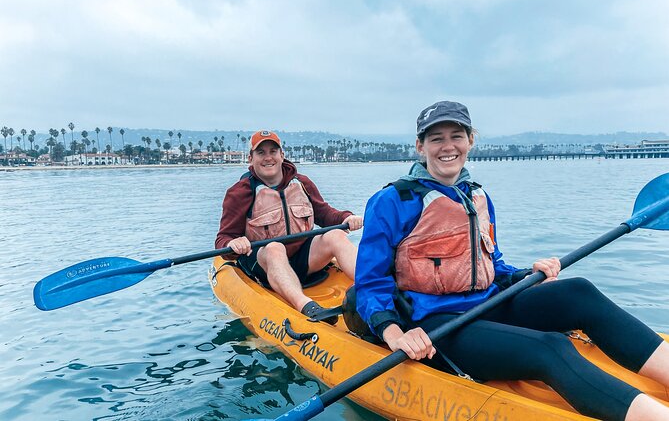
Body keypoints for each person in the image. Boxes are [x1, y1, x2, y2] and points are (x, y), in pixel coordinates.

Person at [353, 101, 669, 421]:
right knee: (550, 347)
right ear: (420, 146)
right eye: (436, 138)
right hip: (437, 326)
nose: (448, 146)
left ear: (470, 141)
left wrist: (525, 275)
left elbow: (493, 266)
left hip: (487, 306)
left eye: (456, 136)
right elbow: (369, 283)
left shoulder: (477, 195)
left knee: (579, 291)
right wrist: (394, 334)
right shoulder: (392, 201)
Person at [215, 130, 363, 324]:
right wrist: (234, 243)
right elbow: (223, 239)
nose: (268, 157)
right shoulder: (240, 192)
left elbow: (324, 213)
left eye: (273, 151)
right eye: (261, 153)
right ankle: (306, 306)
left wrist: (347, 217)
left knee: (335, 234)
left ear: (282, 155)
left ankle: (373, 286)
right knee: (275, 247)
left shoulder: (302, 183)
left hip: (303, 260)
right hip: (266, 265)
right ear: (250, 159)